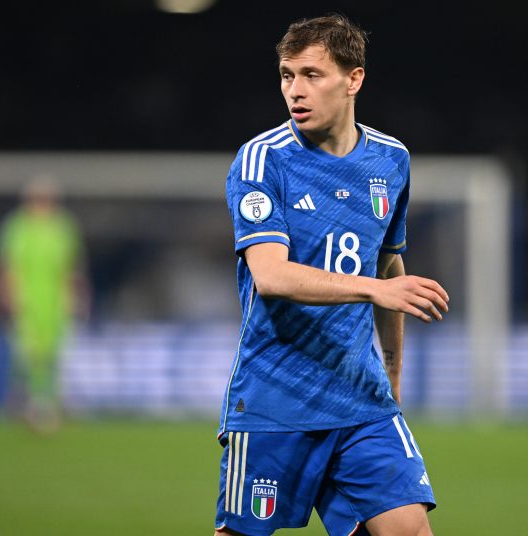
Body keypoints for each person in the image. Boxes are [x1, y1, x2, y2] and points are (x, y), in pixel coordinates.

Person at [215, 14, 450, 536]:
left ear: (353, 79)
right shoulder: (262, 161)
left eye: (311, 74)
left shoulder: (391, 161)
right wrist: (375, 289)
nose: (294, 90)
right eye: (285, 74)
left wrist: (390, 376)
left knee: (410, 530)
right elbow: (271, 276)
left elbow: (388, 263)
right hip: (276, 399)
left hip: (360, 400)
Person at [0, 174, 86, 434]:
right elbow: (8, 265)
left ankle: (44, 404)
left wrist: (76, 297)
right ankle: (30, 404)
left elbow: (71, 267)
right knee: (29, 353)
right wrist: (7, 294)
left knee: (53, 353)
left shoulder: (63, 226)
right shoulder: (17, 227)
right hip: (27, 299)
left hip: (55, 301)